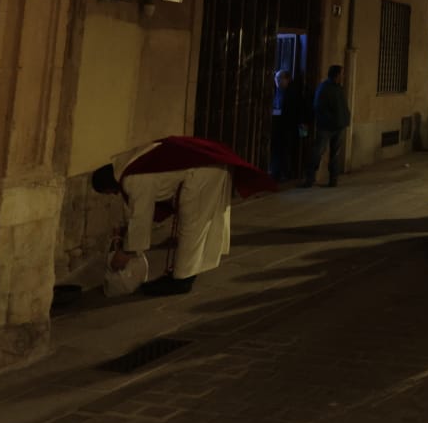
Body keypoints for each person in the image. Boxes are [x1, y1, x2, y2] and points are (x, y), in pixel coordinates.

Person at [90, 136, 276, 295]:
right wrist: (122, 235)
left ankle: (181, 281)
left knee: (192, 225)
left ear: (109, 185)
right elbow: (132, 210)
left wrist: (126, 253)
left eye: (109, 192)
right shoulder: (127, 164)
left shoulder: (132, 179)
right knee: (196, 225)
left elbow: (140, 216)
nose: (114, 195)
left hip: (203, 173)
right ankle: (186, 273)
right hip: (206, 166)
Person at [303, 65, 350, 187]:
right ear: (336, 75)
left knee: (334, 154)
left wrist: (345, 118)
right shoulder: (324, 88)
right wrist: (332, 120)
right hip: (327, 127)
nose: (343, 76)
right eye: (341, 74)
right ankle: (310, 177)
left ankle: (333, 179)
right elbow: (319, 108)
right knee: (318, 151)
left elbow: (342, 106)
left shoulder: (338, 88)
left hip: (339, 126)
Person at [268, 70, 306, 183]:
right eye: (276, 79)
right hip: (280, 126)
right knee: (280, 150)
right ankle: (278, 172)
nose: (277, 81)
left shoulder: (293, 93)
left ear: (287, 79)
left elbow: (298, 111)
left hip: (288, 127)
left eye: (279, 79)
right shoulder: (279, 91)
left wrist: (302, 127)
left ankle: (284, 173)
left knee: (285, 150)